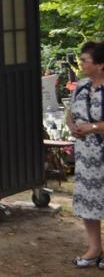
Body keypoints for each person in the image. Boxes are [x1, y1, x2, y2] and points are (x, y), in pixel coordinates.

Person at [66, 41, 104, 268]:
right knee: (88, 201)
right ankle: (94, 249)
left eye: (85, 60)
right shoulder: (81, 86)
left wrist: (93, 127)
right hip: (85, 155)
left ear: (100, 65)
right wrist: (72, 126)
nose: (81, 63)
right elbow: (70, 113)